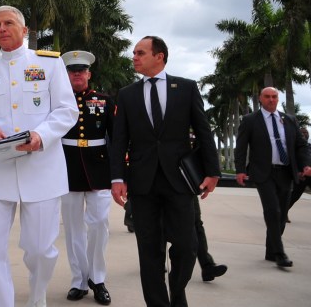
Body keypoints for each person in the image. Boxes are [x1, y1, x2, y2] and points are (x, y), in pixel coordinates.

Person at [0, 5, 78, 307]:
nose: (1, 28)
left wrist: (42, 134)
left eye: (8, 23)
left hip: (41, 169)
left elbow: (68, 110)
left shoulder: (50, 65)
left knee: (41, 249)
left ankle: (37, 295)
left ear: (25, 30)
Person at [109, 36, 220, 307]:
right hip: (142, 182)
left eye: (140, 52)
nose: (134, 57)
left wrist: (213, 171)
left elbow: (203, 132)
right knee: (149, 250)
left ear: (159, 56)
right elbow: (119, 139)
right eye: (134, 53)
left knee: (186, 245)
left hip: (179, 181)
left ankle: (178, 290)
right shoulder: (127, 94)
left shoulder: (186, 88)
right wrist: (117, 178)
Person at [234, 87, 311, 268]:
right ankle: (279, 253)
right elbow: (241, 147)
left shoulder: (289, 120)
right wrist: (239, 170)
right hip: (263, 173)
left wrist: (306, 164)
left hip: (286, 173)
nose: (271, 100)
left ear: (278, 99)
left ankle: (270, 251)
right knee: (272, 211)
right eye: (267, 97)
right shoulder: (251, 120)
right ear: (260, 99)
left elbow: (301, 146)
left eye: (274, 97)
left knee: (282, 214)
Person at [59, 50, 113, 305]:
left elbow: (117, 137)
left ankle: (97, 278)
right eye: (72, 71)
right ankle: (79, 281)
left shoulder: (104, 100)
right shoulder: (58, 101)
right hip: (67, 169)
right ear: (66, 74)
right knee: (73, 230)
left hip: (99, 169)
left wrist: (119, 173)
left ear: (89, 74)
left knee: (100, 223)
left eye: (81, 71)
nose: (77, 74)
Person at [288, 126, 311, 213]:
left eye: (306, 132)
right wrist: (297, 172)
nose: (304, 134)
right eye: (302, 132)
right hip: (301, 175)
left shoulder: (309, 146)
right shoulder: (294, 148)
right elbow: (292, 161)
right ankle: (283, 212)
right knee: (294, 196)